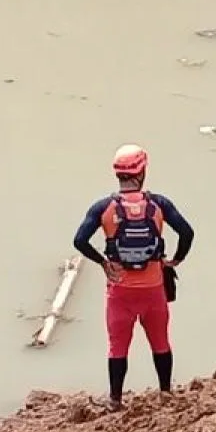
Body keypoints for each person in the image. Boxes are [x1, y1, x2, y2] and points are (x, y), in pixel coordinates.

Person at [73, 144, 195, 410]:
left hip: (120, 291)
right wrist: (175, 260)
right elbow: (187, 233)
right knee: (160, 341)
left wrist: (104, 263)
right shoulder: (159, 204)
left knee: (118, 346)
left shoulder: (104, 207)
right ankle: (165, 393)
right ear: (142, 171)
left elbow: (80, 241)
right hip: (153, 289)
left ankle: (115, 400)